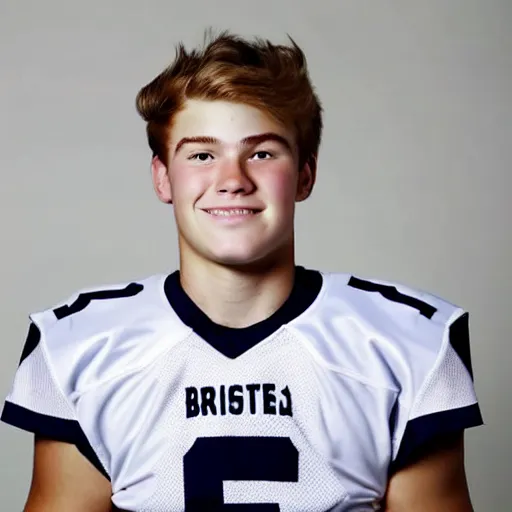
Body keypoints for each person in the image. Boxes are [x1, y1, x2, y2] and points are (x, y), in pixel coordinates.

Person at [1, 31, 483, 511]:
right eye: (202, 155)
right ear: (163, 177)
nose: (232, 181)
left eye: (262, 153)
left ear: (305, 175)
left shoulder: (404, 344)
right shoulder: (82, 348)